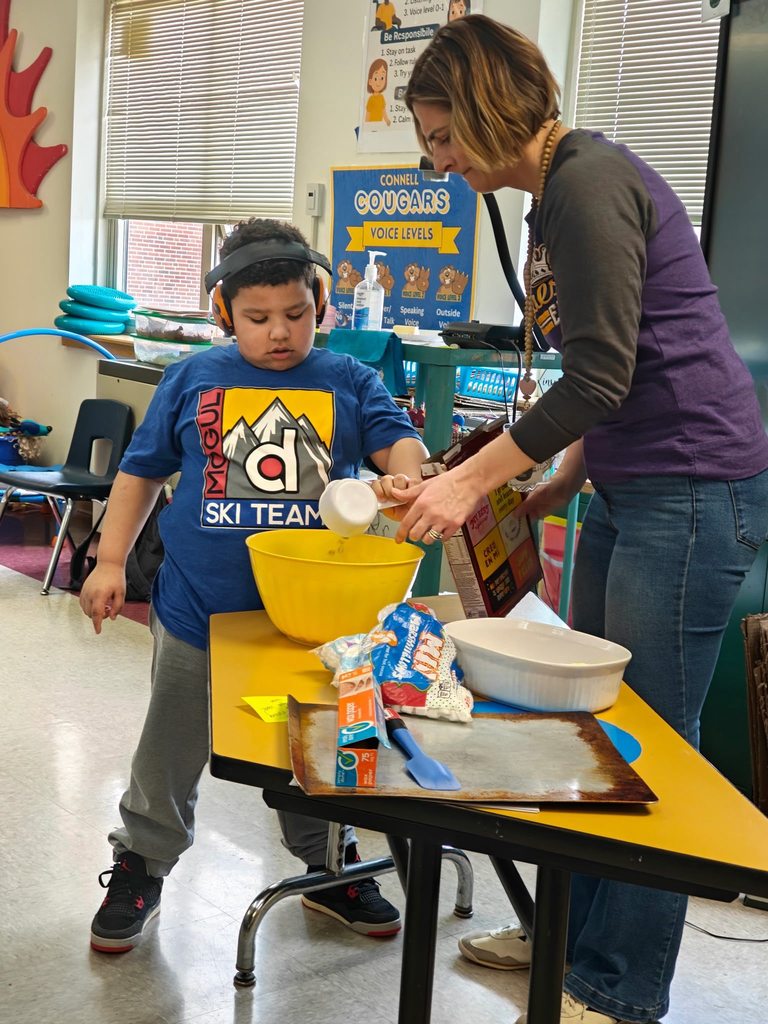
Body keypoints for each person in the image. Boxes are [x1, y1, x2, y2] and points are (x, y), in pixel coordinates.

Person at [398, 14, 768, 1024]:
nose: (437, 161)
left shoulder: (587, 185)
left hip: (689, 488)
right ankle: (571, 930)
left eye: (441, 136)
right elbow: (611, 369)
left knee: (648, 745)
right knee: (592, 728)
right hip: (635, 479)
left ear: (484, 108)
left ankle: (615, 984)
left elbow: (604, 373)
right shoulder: (553, 196)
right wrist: (561, 481)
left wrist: (476, 485)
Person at [80, 217, 428, 953]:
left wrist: (404, 468)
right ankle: (142, 862)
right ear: (223, 314)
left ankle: (328, 867)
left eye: (297, 315)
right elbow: (141, 471)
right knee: (169, 749)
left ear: (322, 305)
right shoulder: (192, 378)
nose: (280, 333)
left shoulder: (347, 379)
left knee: (318, 746)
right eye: (258, 318)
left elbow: (397, 434)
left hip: (312, 624)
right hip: (198, 612)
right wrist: (110, 562)